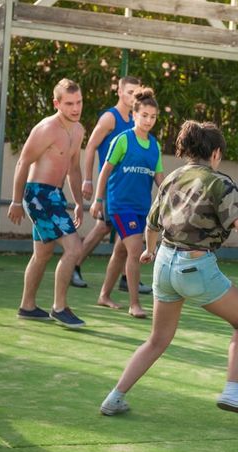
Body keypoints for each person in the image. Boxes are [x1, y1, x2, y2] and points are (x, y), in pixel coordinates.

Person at [99, 120, 238, 420]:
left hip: (163, 263)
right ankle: (232, 391)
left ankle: (114, 397)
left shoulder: (172, 178)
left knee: (157, 340)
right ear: (216, 153)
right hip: (195, 267)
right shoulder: (220, 182)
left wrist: (149, 250)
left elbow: (152, 224)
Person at [7, 78, 86, 329]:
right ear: (56, 104)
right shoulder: (46, 128)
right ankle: (59, 308)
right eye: (69, 103)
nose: (76, 108)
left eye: (79, 102)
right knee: (74, 248)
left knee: (42, 253)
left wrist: (79, 203)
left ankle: (27, 306)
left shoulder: (78, 130)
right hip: (37, 195)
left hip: (55, 195)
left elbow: (74, 169)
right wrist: (16, 201)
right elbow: (23, 162)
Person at [72, 75, 152, 297]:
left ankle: (126, 277)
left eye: (137, 92)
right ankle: (73, 265)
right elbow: (90, 147)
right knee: (104, 227)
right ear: (119, 92)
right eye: (129, 92)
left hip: (127, 187)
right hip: (111, 186)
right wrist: (88, 179)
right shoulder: (110, 118)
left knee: (118, 232)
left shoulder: (136, 119)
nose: (133, 96)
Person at [90, 86, 164, 318]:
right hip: (120, 205)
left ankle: (104, 295)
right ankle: (134, 304)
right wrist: (98, 200)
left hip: (142, 207)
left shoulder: (155, 145)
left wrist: (172, 200)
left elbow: (159, 178)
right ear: (134, 115)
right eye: (144, 115)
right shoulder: (122, 139)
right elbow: (105, 171)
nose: (148, 120)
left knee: (121, 251)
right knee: (135, 250)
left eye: (153, 117)